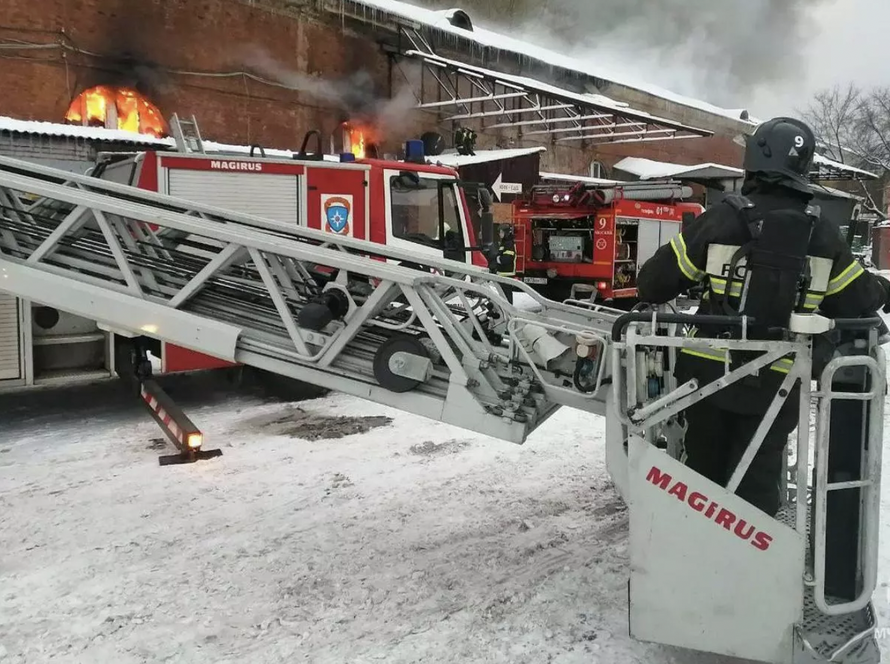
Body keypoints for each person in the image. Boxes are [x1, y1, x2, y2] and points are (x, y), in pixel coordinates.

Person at [636, 116, 890, 516]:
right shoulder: (822, 234)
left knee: (702, 477)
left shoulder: (722, 218)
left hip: (706, 378)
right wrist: (882, 287)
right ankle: (757, 545)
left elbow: (653, 284)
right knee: (757, 480)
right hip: (779, 382)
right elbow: (858, 300)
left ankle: (695, 543)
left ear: (753, 160)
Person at [491, 224, 517, 303]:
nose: (500, 234)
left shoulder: (509, 244)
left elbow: (507, 258)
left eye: (501, 232)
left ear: (506, 233)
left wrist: (497, 259)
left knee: (506, 294)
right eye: (499, 232)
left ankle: (508, 308)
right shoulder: (504, 243)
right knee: (503, 294)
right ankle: (505, 308)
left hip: (507, 273)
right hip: (503, 273)